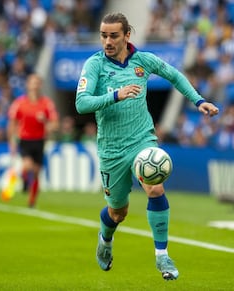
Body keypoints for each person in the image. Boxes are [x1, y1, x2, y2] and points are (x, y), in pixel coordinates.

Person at [75, 13, 219, 280]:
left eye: (113, 35)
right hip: (111, 148)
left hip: (142, 139)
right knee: (118, 213)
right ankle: (105, 240)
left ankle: (162, 256)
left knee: (155, 187)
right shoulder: (94, 65)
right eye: (103, 35)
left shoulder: (143, 60)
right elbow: (81, 104)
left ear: (127, 35)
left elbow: (175, 76)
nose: (107, 41)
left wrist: (198, 101)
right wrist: (115, 95)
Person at [7, 73, 59, 208]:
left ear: (40, 85)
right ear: (28, 85)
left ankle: (32, 201)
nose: (34, 85)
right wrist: (11, 141)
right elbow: (12, 123)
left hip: (40, 141)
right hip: (25, 140)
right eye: (32, 82)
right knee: (27, 165)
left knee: (36, 173)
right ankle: (24, 180)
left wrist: (45, 121)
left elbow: (55, 125)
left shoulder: (47, 103)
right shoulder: (19, 103)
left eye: (37, 83)